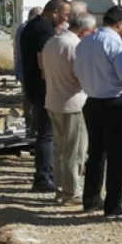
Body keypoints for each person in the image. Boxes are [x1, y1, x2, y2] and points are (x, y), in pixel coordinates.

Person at [74, 5, 122, 217]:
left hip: (92, 102)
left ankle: (91, 198)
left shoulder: (84, 43)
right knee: (119, 155)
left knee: (96, 153)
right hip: (115, 102)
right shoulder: (115, 43)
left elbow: (78, 72)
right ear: (121, 24)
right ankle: (115, 203)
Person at [41, 11, 96, 204]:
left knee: (61, 149)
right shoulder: (75, 46)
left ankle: (60, 188)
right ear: (84, 30)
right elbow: (80, 76)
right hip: (72, 103)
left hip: (53, 101)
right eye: (92, 31)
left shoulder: (51, 42)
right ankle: (71, 192)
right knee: (75, 150)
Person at [20, 0, 71, 193]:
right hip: (44, 89)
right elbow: (43, 62)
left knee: (46, 132)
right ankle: (43, 177)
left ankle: (47, 174)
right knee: (47, 134)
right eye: (65, 15)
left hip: (35, 87)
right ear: (55, 13)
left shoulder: (32, 26)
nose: (66, 19)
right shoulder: (43, 30)